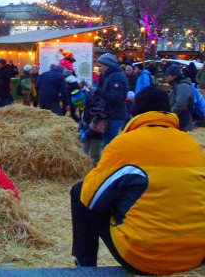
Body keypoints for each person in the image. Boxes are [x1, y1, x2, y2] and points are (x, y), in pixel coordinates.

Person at [70, 86, 205, 275]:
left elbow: (91, 198)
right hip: (196, 255)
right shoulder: (192, 144)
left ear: (135, 111)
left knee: (79, 192)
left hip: (145, 257)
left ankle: (85, 267)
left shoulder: (125, 144)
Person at [94, 53, 128, 145]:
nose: (99, 69)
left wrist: (97, 91)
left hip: (115, 116)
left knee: (111, 145)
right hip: (113, 115)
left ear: (107, 65)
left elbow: (116, 98)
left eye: (100, 66)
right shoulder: (112, 76)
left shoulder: (115, 77)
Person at [165, 64, 194, 132]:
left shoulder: (182, 86)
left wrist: (170, 114)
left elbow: (181, 104)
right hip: (178, 118)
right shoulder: (177, 84)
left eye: (167, 75)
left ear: (174, 76)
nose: (166, 78)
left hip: (181, 119)